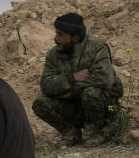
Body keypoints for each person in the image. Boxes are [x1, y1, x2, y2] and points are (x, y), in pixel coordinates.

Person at [32, 13, 123, 146]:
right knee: (40, 103)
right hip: (75, 107)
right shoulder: (54, 54)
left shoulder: (97, 47)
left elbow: (105, 79)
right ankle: (71, 133)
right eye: (56, 33)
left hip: (103, 108)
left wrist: (70, 92)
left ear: (75, 37)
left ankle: (100, 132)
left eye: (60, 34)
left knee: (91, 93)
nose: (55, 38)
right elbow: (46, 85)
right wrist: (72, 78)